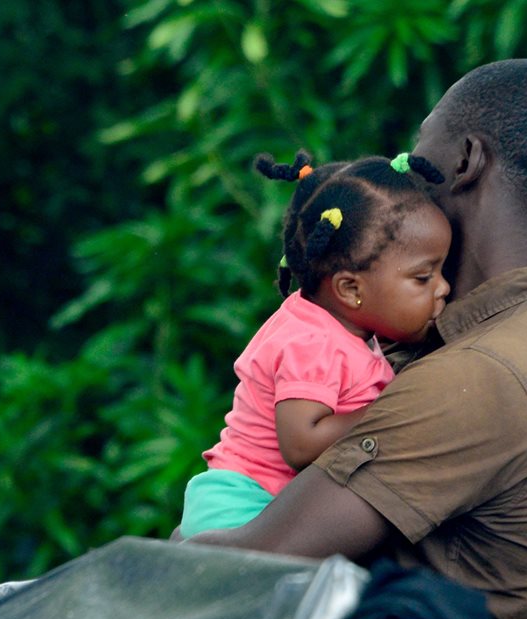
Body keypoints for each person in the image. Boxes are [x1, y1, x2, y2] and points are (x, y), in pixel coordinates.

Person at [184, 59, 527, 619]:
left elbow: (241, 567)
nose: (403, 175)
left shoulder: (483, 373)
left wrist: (165, 556)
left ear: (464, 160)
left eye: (416, 154)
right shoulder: (516, 342)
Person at [178, 152, 451, 537]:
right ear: (350, 288)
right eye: (423, 277)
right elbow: (301, 443)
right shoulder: (314, 342)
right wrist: (397, 408)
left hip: (264, 504)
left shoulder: (337, 326)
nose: (444, 288)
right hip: (240, 509)